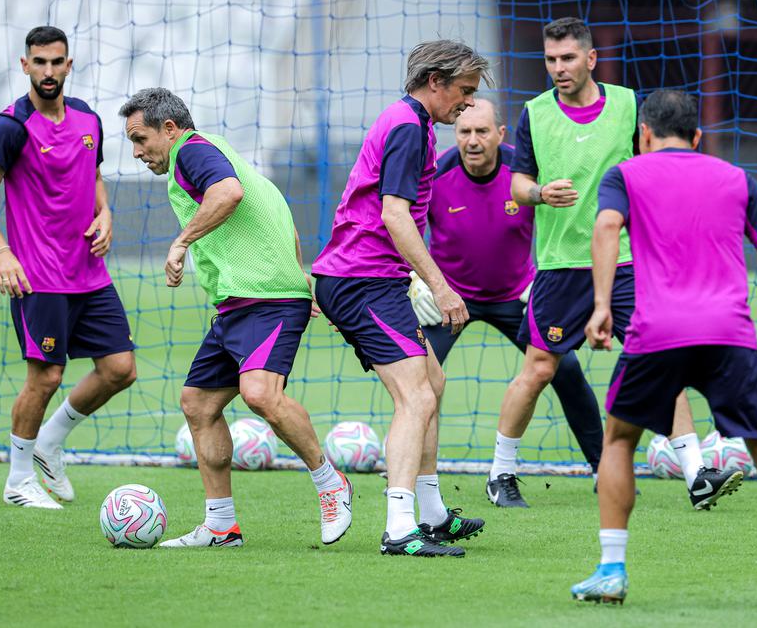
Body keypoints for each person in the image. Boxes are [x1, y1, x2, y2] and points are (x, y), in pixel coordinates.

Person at [570, 90, 757, 612]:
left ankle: (611, 571)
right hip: (729, 336)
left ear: (643, 134)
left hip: (656, 332)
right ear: (697, 137)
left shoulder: (625, 175)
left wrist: (601, 305)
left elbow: (605, 227)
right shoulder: (736, 179)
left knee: (619, 441)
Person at [488, 17, 733, 509]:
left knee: (660, 356)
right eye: (551, 59)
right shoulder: (534, 114)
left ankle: (696, 474)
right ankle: (501, 473)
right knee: (539, 370)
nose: (558, 68)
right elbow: (517, 185)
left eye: (568, 58)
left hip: (625, 261)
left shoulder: (626, 106)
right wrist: (538, 193)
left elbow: (654, 167)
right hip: (561, 265)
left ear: (591, 58)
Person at [119, 87, 352, 548]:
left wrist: (181, 242)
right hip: (239, 303)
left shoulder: (193, 151)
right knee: (198, 405)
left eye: (140, 138)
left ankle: (331, 484)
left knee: (260, 394)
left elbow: (230, 193)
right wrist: (301, 274)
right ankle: (221, 525)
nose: (137, 152)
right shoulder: (215, 152)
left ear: (169, 129)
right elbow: (273, 207)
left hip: (266, 300)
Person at [312, 40, 490, 557]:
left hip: (366, 278)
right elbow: (393, 214)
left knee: (433, 379)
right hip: (362, 281)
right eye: (464, 92)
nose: (468, 104)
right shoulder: (409, 126)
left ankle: (431, 515)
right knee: (415, 395)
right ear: (435, 81)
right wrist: (439, 285)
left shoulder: (406, 121)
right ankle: (399, 528)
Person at [0, 25, 137, 510]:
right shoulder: (11, 126)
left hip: (89, 272)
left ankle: (49, 441)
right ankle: (18, 480)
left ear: (68, 64)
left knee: (120, 369)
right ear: (25, 66)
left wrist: (105, 212)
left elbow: (94, 176)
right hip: (38, 276)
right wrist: (1, 252)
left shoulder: (88, 118)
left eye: (55, 62)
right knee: (45, 377)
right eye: (38, 62)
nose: (47, 71)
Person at [410, 96, 603, 475]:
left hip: (517, 295)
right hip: (449, 300)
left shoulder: (523, 173)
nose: (473, 141)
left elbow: (563, 225)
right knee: (415, 381)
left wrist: (544, 275)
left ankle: (603, 468)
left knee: (566, 371)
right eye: (464, 132)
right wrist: (416, 280)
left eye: (482, 131)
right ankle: (409, 471)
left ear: (500, 134)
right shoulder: (435, 175)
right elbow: (405, 227)